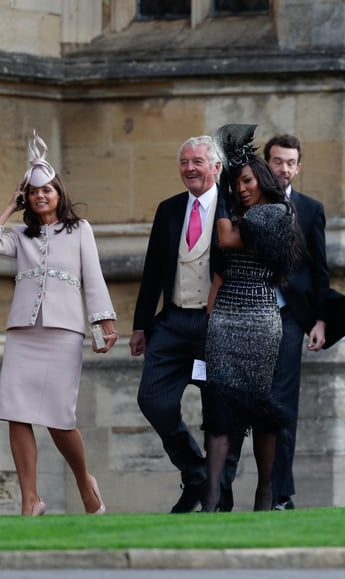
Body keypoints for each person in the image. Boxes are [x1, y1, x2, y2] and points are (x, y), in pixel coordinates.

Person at [0, 131, 115, 516]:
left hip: (64, 332)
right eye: (33, 193)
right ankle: (30, 499)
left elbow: (95, 278)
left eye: (47, 191)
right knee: (16, 411)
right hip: (24, 332)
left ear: (59, 193)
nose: (40, 197)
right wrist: (9, 204)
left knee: (59, 416)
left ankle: (85, 483)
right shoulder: (20, 235)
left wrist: (103, 321)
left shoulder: (80, 229)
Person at [201, 125, 297, 512]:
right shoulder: (237, 215)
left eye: (246, 180)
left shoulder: (278, 213)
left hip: (260, 317)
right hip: (224, 318)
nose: (241, 188)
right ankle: (210, 498)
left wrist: (224, 197)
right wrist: (210, 321)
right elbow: (220, 271)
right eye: (235, 182)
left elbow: (228, 239)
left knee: (260, 406)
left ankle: (265, 492)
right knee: (220, 407)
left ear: (262, 179)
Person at [131, 135, 222, 514]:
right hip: (172, 321)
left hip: (214, 324)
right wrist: (139, 325)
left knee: (218, 412)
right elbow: (152, 270)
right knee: (152, 399)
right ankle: (194, 470)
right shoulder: (169, 209)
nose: (189, 169)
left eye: (197, 162)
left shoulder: (232, 208)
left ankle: (218, 492)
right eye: (184, 162)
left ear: (216, 167)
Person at [263, 134, 331, 510]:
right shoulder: (244, 201)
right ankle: (222, 490)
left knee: (283, 403)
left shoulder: (310, 208)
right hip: (248, 314)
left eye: (290, 162)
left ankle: (280, 494)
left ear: (298, 167)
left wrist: (320, 319)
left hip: (290, 316)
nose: (284, 168)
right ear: (266, 162)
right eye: (277, 161)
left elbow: (320, 269)